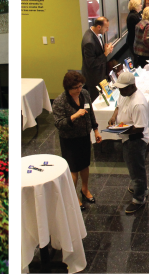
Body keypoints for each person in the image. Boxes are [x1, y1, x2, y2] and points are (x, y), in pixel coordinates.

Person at [51, 70, 101, 209]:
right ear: (68, 88)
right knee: (73, 170)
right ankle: (73, 196)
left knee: (85, 165)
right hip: (69, 139)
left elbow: (90, 113)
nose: (79, 89)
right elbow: (58, 124)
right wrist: (74, 116)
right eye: (76, 87)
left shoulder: (84, 94)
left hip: (84, 136)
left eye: (80, 86)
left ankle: (85, 189)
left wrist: (96, 130)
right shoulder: (59, 102)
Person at [105, 71, 149, 214]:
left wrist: (119, 130)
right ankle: (142, 187)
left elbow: (139, 128)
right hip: (127, 138)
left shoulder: (138, 104)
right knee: (134, 167)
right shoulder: (124, 94)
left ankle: (139, 198)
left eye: (123, 88)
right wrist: (114, 117)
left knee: (136, 169)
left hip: (136, 141)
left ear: (132, 86)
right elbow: (118, 106)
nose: (120, 90)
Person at [81, 16, 113, 102]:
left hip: (102, 75)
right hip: (94, 78)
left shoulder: (97, 34)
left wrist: (106, 49)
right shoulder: (89, 42)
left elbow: (97, 52)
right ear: (99, 27)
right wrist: (105, 53)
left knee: (109, 97)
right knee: (97, 102)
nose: (107, 30)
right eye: (106, 28)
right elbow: (91, 63)